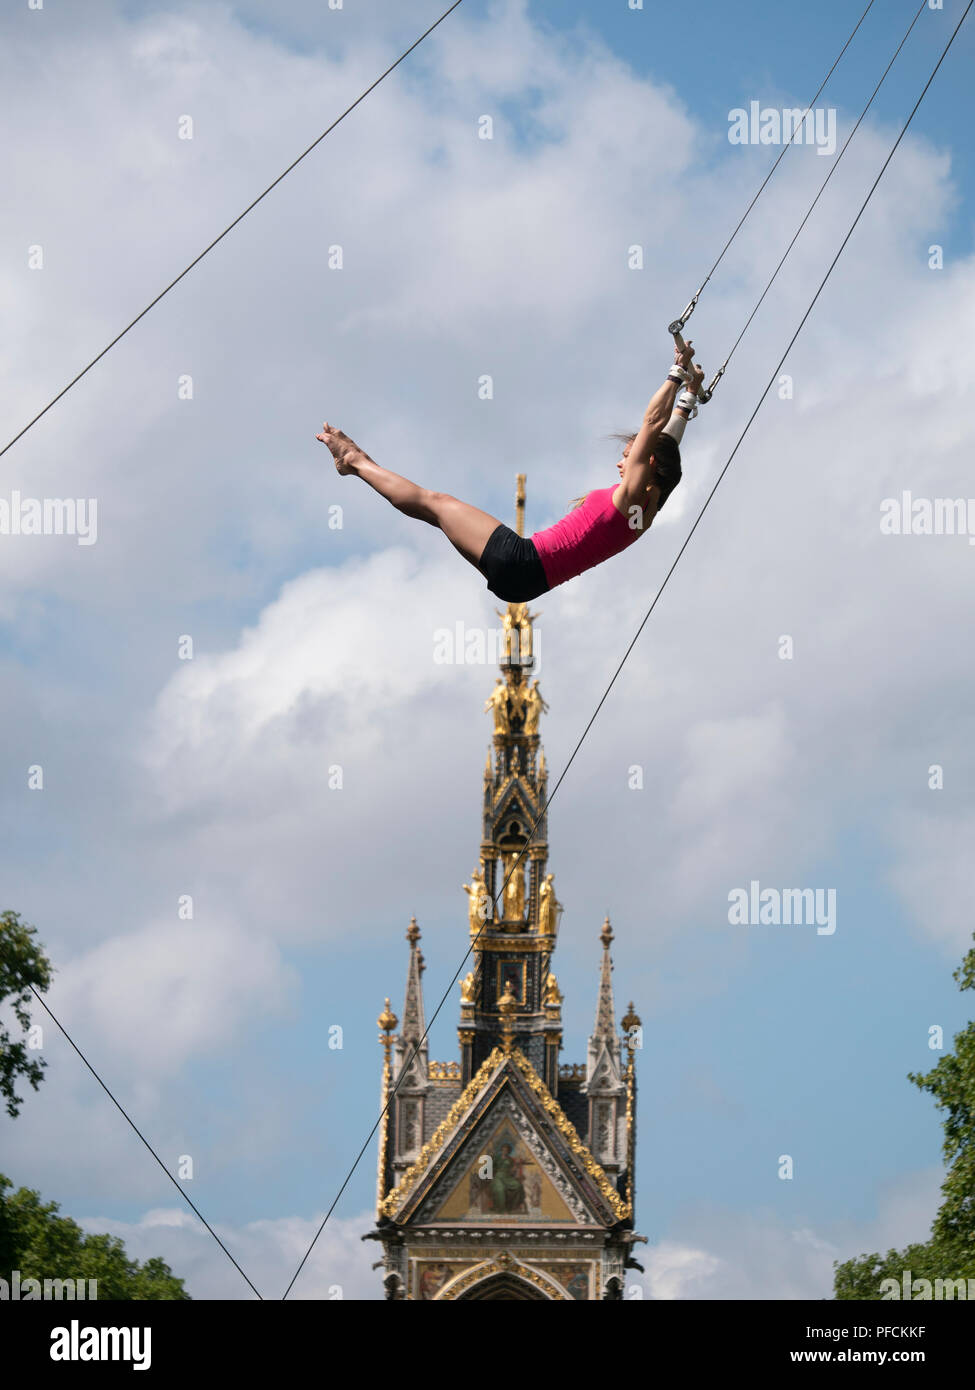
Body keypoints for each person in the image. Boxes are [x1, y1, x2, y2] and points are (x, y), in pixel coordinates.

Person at [316, 341, 705, 603]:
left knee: (435, 503)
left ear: (647, 461)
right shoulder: (647, 507)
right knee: (434, 513)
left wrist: (675, 371)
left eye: (629, 455)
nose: (622, 463)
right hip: (526, 584)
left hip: (523, 560)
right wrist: (686, 400)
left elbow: (653, 424)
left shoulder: (632, 492)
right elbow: (666, 440)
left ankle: (354, 461)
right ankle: (358, 462)